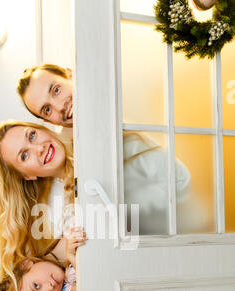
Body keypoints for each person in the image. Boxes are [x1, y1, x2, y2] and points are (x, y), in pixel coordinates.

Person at [17, 64, 210, 234]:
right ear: (46, 120)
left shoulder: (120, 107)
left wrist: (118, 207)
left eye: (56, 90)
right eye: (47, 109)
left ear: (70, 75)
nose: (59, 106)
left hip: (193, 228)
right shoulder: (74, 152)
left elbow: (180, 179)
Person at [0, 119, 75, 291]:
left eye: (32, 135)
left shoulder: (82, 131)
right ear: (27, 176)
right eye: (24, 156)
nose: (39, 148)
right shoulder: (53, 219)